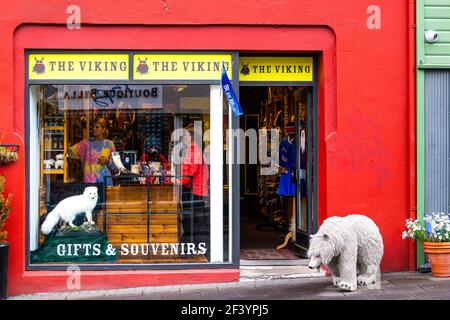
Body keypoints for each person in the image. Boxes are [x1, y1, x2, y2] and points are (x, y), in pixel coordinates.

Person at [178, 123, 209, 258]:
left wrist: (179, 180)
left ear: (190, 136)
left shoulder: (193, 150)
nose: (182, 138)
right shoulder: (193, 149)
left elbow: (189, 171)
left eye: (184, 135)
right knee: (194, 221)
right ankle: (195, 247)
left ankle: (199, 249)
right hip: (197, 189)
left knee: (195, 221)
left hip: (196, 190)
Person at [69, 117, 116, 186]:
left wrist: (107, 161)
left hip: (106, 183)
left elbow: (116, 169)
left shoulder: (110, 144)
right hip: (89, 184)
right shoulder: (85, 143)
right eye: (93, 127)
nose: (94, 129)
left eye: (97, 127)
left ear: (103, 130)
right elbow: (68, 152)